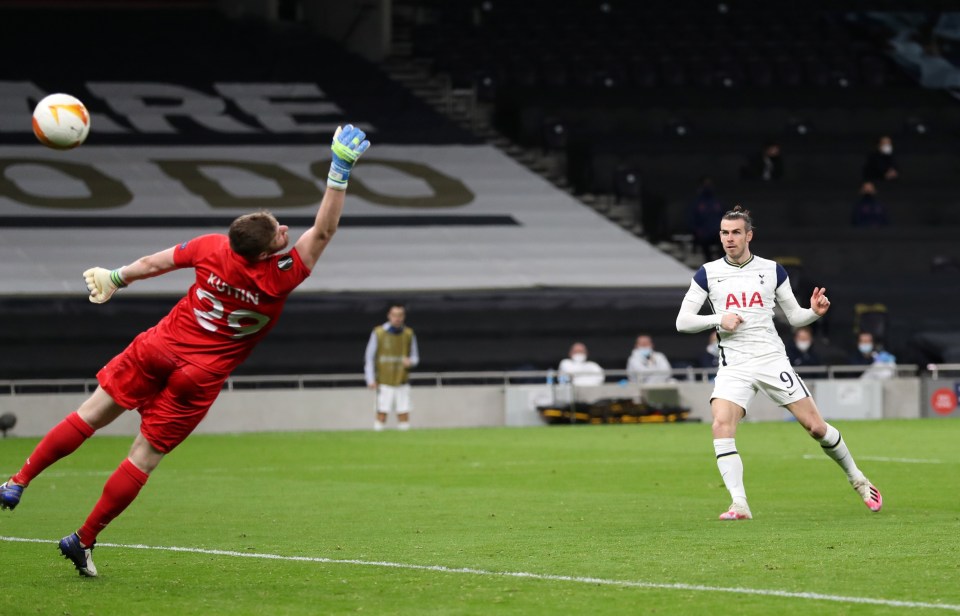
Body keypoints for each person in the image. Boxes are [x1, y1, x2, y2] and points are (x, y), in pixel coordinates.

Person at [0, 125, 371, 576]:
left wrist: (116, 278)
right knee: (142, 457)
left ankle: (18, 481)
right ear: (265, 251)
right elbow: (324, 230)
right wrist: (339, 170)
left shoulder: (212, 247)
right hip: (199, 376)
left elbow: (156, 264)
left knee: (89, 415)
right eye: (279, 233)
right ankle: (83, 539)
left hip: (159, 347)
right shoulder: (283, 274)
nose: (285, 232)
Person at [675, 205, 882, 521]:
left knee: (815, 428)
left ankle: (858, 478)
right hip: (734, 364)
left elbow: (796, 316)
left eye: (735, 233)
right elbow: (682, 321)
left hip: (771, 359)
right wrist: (718, 319)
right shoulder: (708, 273)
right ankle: (739, 504)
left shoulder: (772, 270)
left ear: (749, 235)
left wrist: (813, 311)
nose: (729, 239)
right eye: (724, 233)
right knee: (721, 424)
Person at [364, 303, 420, 431]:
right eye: (395, 315)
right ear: (389, 316)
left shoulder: (409, 333)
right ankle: (378, 441)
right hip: (384, 381)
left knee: (404, 413)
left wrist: (410, 362)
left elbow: (416, 357)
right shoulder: (378, 333)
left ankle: (405, 444)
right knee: (382, 414)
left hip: (402, 381)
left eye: (400, 315)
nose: (397, 318)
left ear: (404, 317)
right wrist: (370, 379)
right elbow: (369, 358)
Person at [687, 176, 725, 261]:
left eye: (709, 184)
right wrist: (698, 231)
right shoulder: (697, 203)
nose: (708, 186)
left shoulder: (717, 202)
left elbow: (724, 217)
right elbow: (692, 219)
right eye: (705, 184)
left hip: (717, 233)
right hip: (703, 234)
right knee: (705, 245)